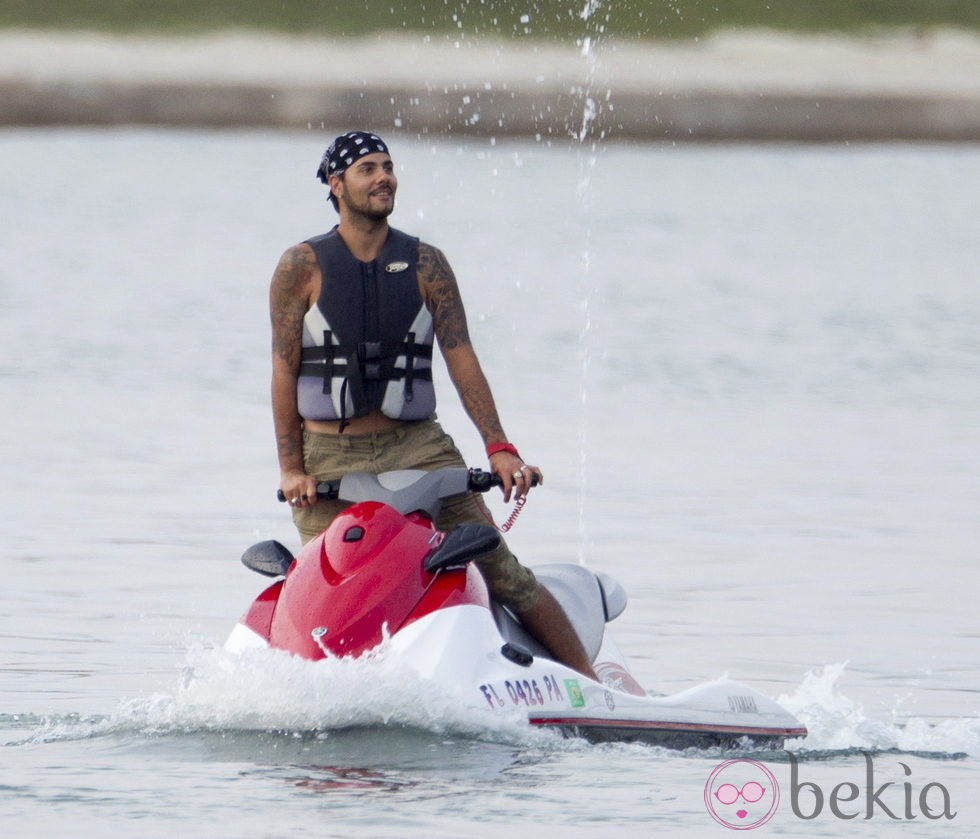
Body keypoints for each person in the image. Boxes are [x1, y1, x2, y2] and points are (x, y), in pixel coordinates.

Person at [269, 130, 596, 679]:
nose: (383, 178)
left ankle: (590, 685)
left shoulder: (427, 264)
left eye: (388, 167)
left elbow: (461, 357)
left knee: (503, 572)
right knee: (326, 591)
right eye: (367, 169)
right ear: (336, 184)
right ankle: (313, 686)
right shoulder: (300, 267)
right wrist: (291, 467)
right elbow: (284, 370)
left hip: (418, 445)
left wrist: (500, 448)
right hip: (327, 456)